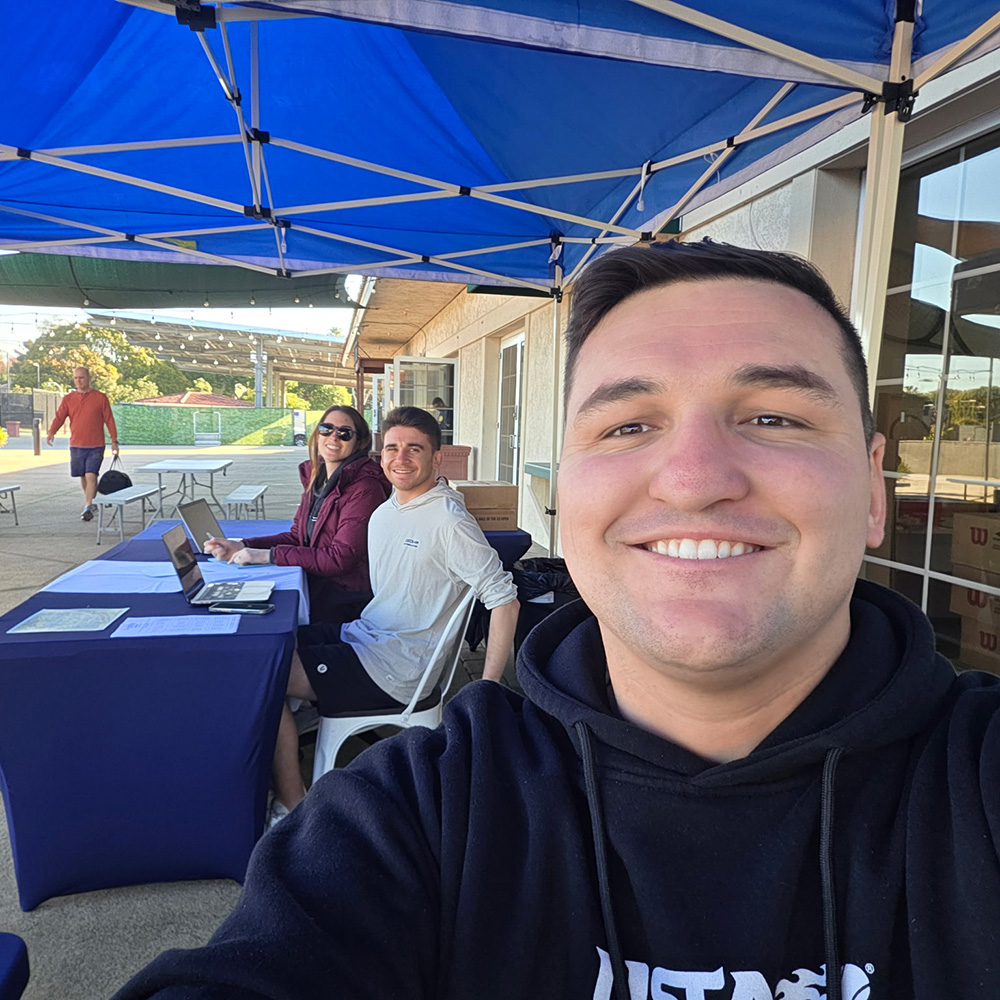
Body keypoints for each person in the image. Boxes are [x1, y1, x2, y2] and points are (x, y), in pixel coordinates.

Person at [112, 242, 1000, 1000]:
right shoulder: (419, 813)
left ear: (876, 489)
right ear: (567, 491)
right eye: (625, 426)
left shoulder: (977, 786)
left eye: (774, 416)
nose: (693, 479)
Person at [266, 404, 519, 822]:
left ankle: (293, 802)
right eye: (392, 448)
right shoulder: (386, 509)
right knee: (274, 641)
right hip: (367, 636)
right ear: (380, 454)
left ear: (437, 458)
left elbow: (504, 599)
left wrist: (487, 688)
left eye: (414, 449)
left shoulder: (449, 521)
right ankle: (287, 739)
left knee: (265, 671)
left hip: (397, 670)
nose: (401, 459)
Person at [204, 405, 390, 625]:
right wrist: (243, 545)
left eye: (344, 433)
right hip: (318, 586)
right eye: (326, 429)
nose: (333, 437)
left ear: (359, 442)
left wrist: (268, 556)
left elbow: (339, 559)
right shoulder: (319, 479)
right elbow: (297, 538)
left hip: (344, 600)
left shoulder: (365, 488)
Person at [46, 366, 119, 521]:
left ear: (89, 379)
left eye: (82, 377)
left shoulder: (100, 397)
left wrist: (114, 441)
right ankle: (91, 503)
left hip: (96, 445)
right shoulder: (69, 399)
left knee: (91, 474)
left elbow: (109, 420)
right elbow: (60, 417)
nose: (78, 380)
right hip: (77, 444)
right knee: (83, 476)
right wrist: (52, 431)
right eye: (76, 378)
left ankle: (88, 506)